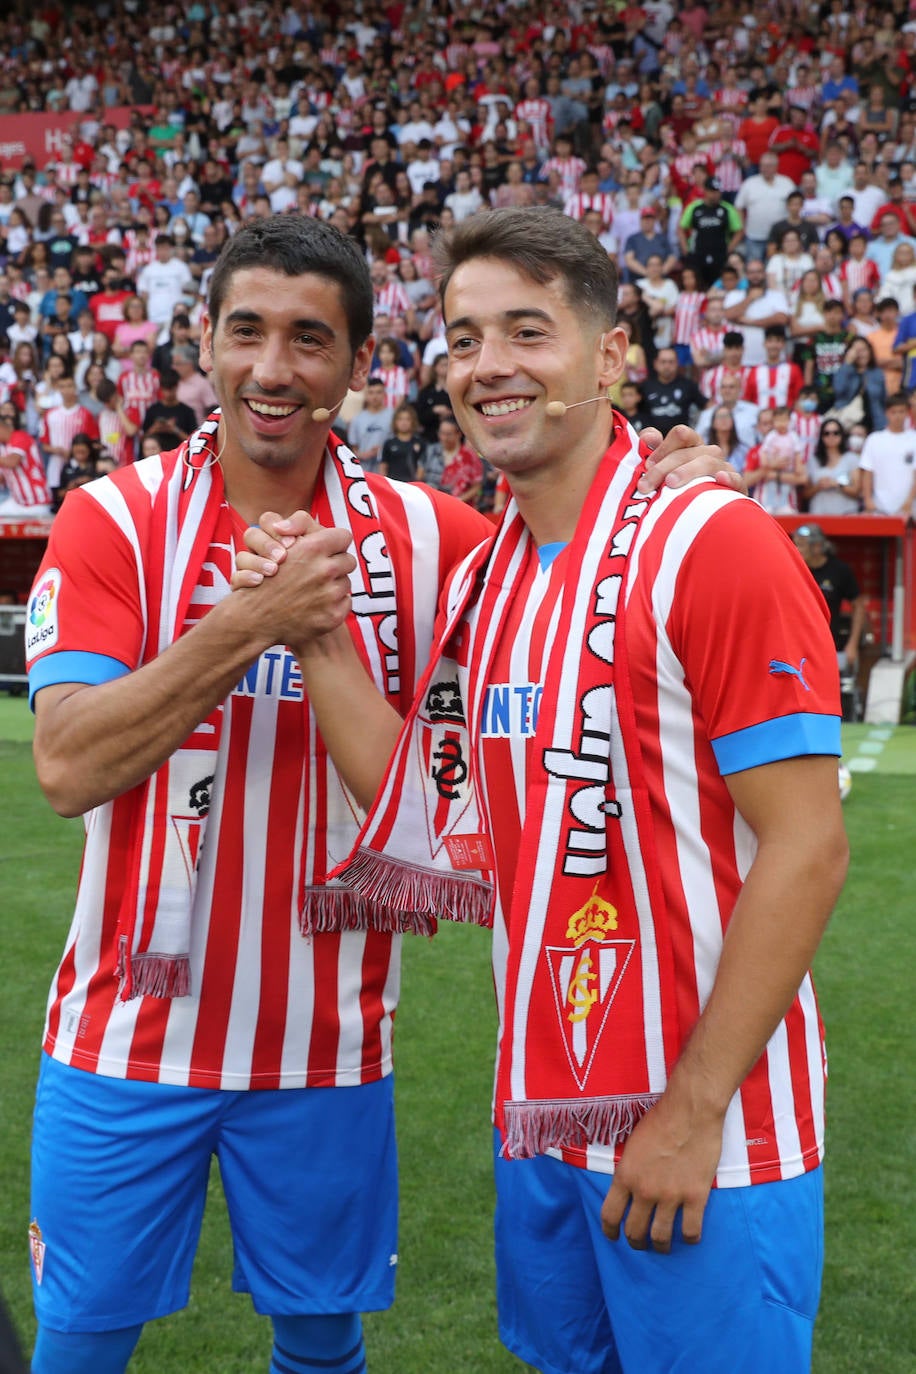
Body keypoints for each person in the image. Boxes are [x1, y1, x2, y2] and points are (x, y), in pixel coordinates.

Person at [26, 211, 736, 1374]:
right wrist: (255, 622)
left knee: (320, 1343)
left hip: (326, 1046)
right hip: (121, 1038)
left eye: (310, 340)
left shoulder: (436, 538)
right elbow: (66, 766)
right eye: (245, 332)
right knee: (81, 1342)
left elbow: (593, 532)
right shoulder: (114, 520)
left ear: (358, 369)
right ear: (201, 343)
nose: (272, 369)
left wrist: (676, 474)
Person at [239, 207, 847, 1374]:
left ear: (611, 355)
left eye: (527, 330)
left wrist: (690, 1108)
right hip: (546, 1116)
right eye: (463, 340)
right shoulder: (490, 577)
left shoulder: (709, 541)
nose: (488, 367)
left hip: (707, 1138)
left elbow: (806, 847)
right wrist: (315, 639)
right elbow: (437, 813)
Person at [791, 524, 867, 678]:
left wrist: (852, 644)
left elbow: (858, 606)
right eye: (795, 544)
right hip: (797, 644)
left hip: (827, 645)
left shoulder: (839, 571)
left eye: (801, 545)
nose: (796, 549)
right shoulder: (793, 569)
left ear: (817, 547)